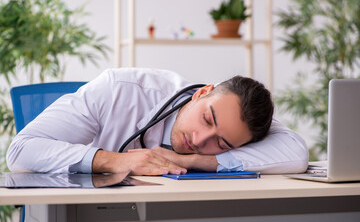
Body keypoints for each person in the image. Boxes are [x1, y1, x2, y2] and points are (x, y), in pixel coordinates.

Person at [6, 68, 308, 175]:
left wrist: (187, 160)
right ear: (202, 92)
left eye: (222, 143)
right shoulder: (120, 90)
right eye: (206, 118)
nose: (201, 139)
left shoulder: (241, 123)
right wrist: (114, 161)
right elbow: (20, 151)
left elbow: (295, 152)